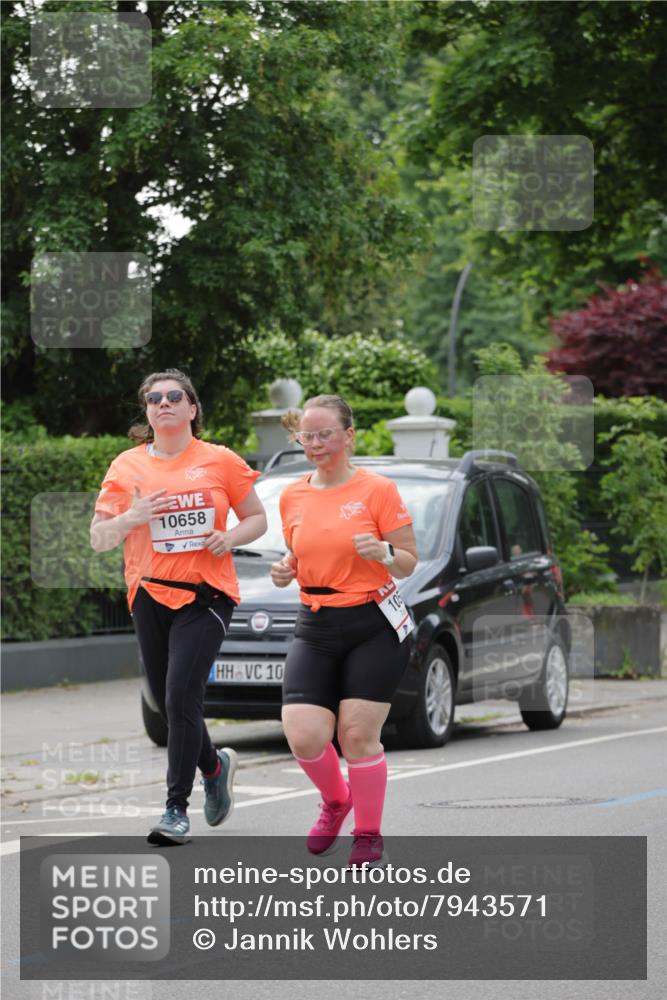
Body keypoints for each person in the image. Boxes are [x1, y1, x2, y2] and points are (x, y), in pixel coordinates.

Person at [90, 369, 267, 845]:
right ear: (147, 412)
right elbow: (99, 538)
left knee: (179, 696)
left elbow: (257, 518)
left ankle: (175, 809)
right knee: (171, 705)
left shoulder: (220, 460)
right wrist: (132, 516)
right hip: (149, 593)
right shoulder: (126, 466)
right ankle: (214, 766)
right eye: (154, 399)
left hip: (206, 594)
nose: (163, 403)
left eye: (173, 396)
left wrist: (229, 536)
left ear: (192, 408)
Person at [271, 394, 417, 867]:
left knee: (356, 735)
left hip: (372, 622)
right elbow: (300, 551)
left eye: (324, 434)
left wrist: (384, 554)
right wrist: (286, 568)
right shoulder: (292, 495)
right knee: (304, 735)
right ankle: (337, 800)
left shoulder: (378, 490)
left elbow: (409, 562)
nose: (314, 444)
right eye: (306, 436)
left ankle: (368, 835)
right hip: (316, 622)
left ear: (349, 436)